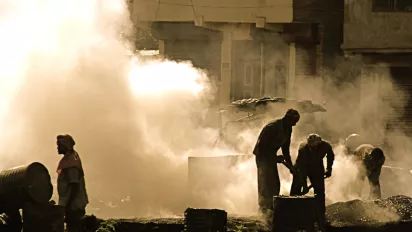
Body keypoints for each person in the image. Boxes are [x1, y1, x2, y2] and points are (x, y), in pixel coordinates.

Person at [253, 109, 300, 215]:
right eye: (294, 121)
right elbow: (261, 147)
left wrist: (291, 166)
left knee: (275, 183)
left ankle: (271, 208)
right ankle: (263, 210)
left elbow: (285, 149)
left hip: (271, 157)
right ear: (288, 118)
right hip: (262, 157)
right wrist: (275, 158)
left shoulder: (288, 129)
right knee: (265, 183)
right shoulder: (272, 127)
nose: (295, 124)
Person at [290, 134, 335, 226]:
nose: (312, 149)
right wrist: (304, 185)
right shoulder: (303, 149)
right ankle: (293, 213)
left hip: (317, 166)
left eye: (314, 148)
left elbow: (330, 155)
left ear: (319, 144)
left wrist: (329, 169)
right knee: (296, 189)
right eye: (311, 148)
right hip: (302, 166)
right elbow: (303, 168)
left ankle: (320, 216)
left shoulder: (325, 145)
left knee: (320, 192)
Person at [56, 134, 89, 232]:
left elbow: (74, 185)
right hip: (71, 204)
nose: (57, 147)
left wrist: (68, 205)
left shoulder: (71, 163)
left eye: (59, 145)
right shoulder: (69, 159)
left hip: (74, 206)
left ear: (65, 146)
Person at [344, 134, 385, 199]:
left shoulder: (381, 158)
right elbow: (361, 169)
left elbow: (377, 173)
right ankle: (356, 196)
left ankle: (377, 198)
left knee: (374, 180)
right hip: (359, 156)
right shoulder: (364, 157)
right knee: (360, 179)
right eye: (373, 163)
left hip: (368, 156)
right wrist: (367, 171)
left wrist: (374, 178)